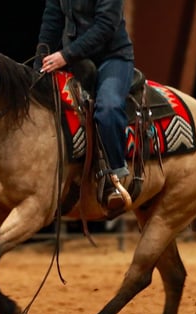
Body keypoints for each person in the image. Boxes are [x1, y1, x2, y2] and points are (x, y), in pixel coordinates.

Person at [35, 0, 135, 210]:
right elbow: (52, 21)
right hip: (76, 59)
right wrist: (38, 65)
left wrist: (65, 55)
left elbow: (106, 25)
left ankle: (115, 177)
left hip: (112, 58)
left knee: (108, 108)